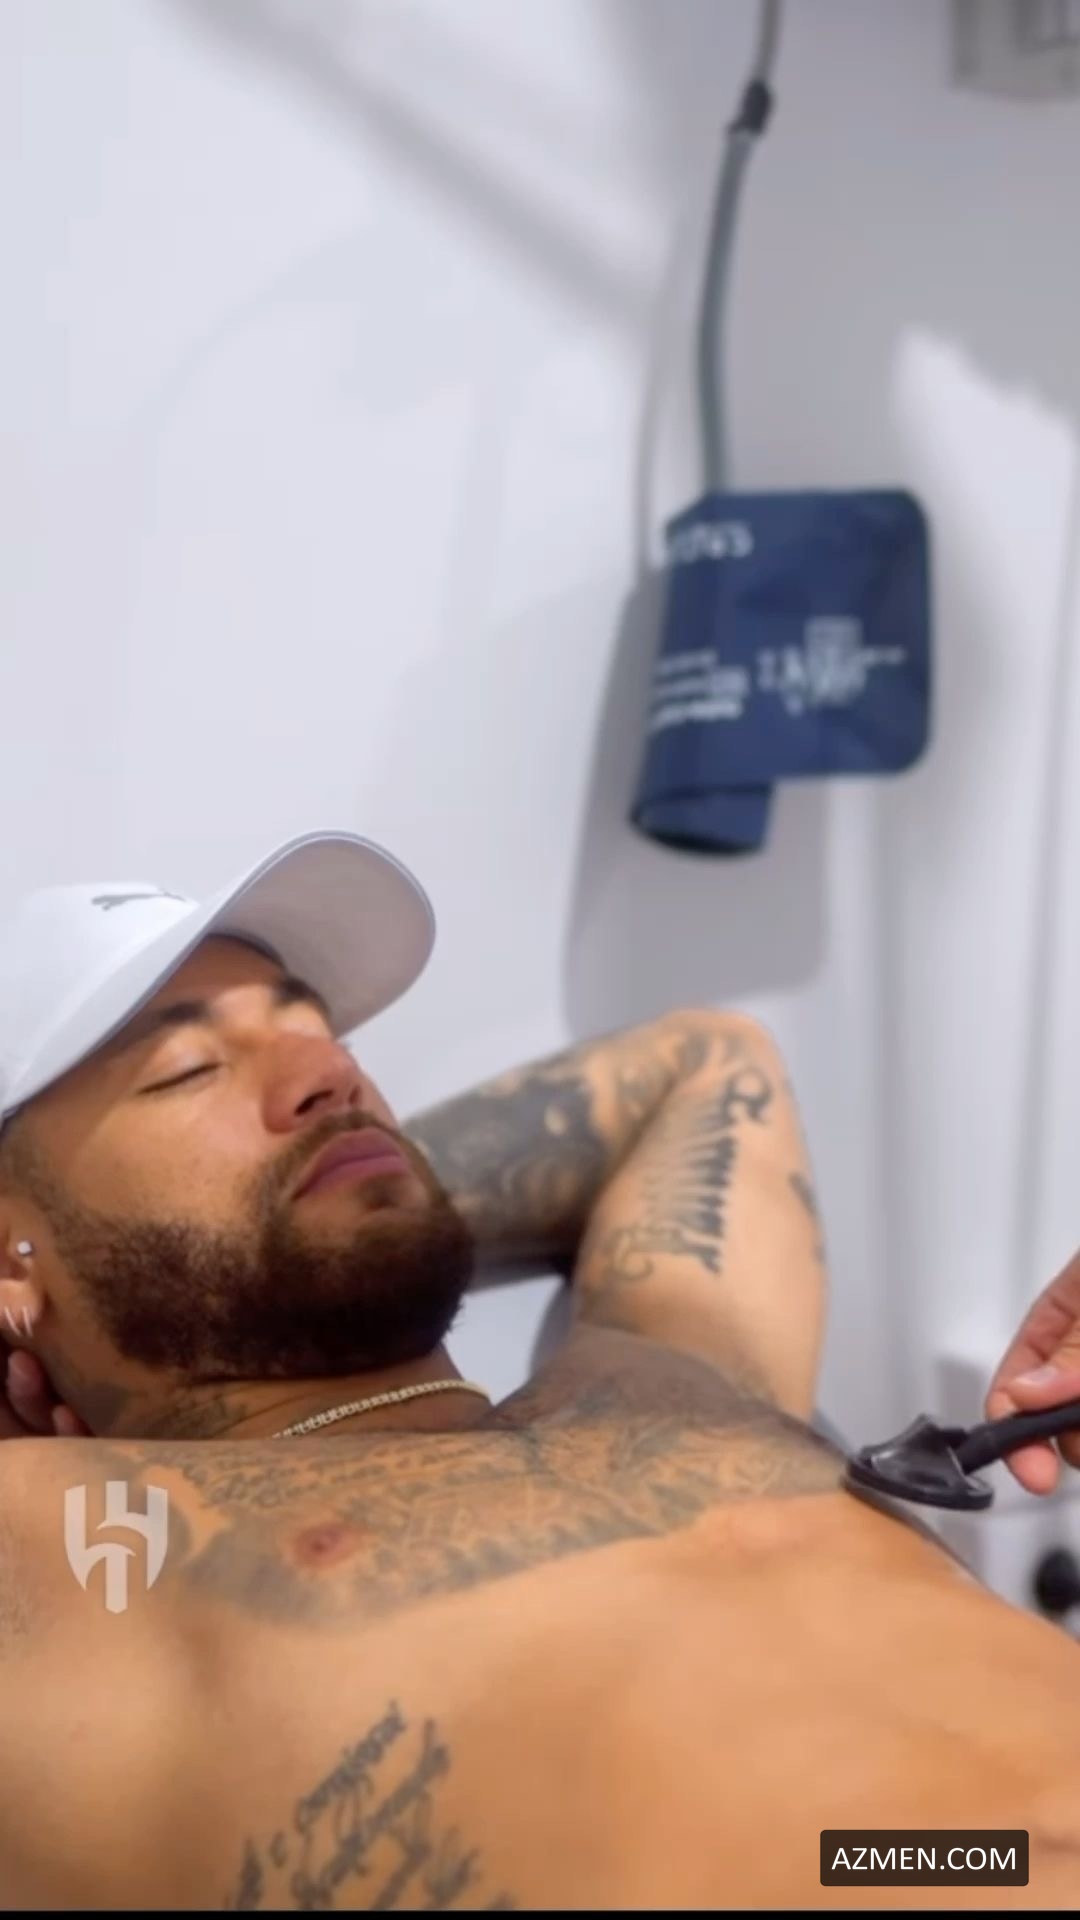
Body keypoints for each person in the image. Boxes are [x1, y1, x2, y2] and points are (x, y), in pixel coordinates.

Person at [2, 828, 1080, 1913]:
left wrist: (308, 1208)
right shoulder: (76, 1547)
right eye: (188, 1069)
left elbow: (707, 1064)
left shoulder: (665, 1383)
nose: (332, 1074)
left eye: (321, 1032)